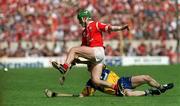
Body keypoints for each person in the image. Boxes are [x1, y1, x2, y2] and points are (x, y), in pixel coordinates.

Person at [51, 10, 129, 91]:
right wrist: (74, 59)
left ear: (84, 18)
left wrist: (120, 28)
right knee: (96, 80)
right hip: (96, 57)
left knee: (73, 50)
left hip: (97, 50)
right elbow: (83, 48)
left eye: (80, 20)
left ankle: (64, 67)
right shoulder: (84, 32)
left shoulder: (95, 24)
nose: (79, 22)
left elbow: (109, 27)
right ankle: (116, 87)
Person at [45, 63, 174, 97]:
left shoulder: (102, 67)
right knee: (128, 94)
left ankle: (161, 87)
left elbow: (80, 59)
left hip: (124, 81)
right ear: (89, 69)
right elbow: (81, 96)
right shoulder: (92, 82)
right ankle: (150, 92)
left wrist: (67, 68)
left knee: (146, 77)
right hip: (119, 91)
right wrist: (58, 94)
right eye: (91, 66)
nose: (94, 66)